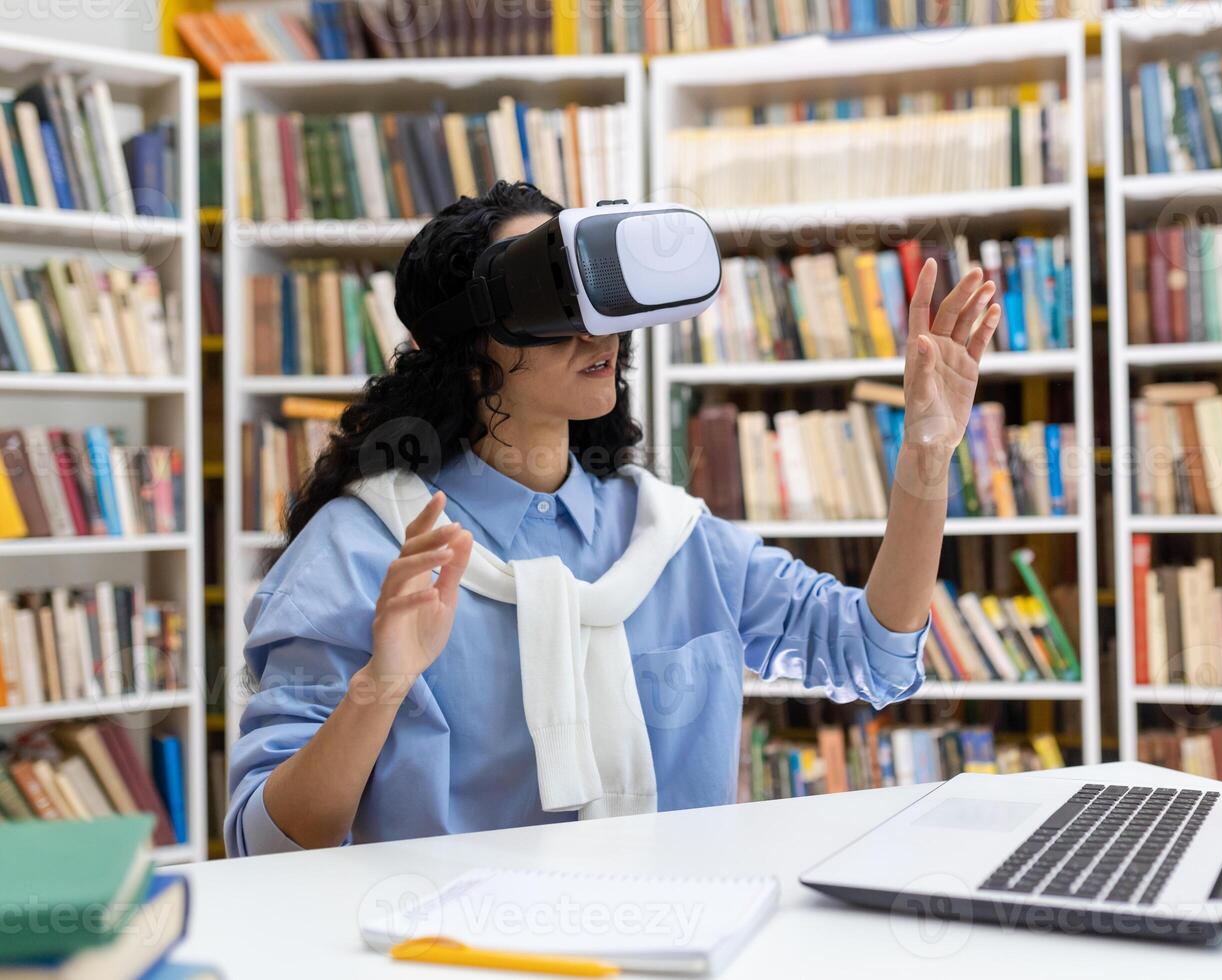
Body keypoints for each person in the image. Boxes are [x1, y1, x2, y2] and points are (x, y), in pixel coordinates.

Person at [223, 181, 1002, 856]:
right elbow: (270, 840)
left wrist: (926, 457)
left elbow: (875, 658)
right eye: (547, 298)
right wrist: (381, 682)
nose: (600, 332)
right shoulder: (363, 550)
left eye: (594, 291)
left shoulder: (669, 539)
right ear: (462, 343)